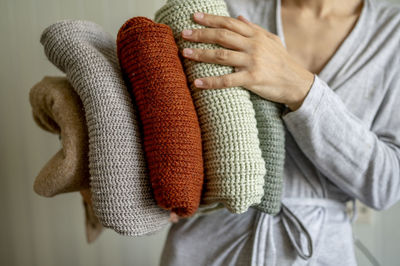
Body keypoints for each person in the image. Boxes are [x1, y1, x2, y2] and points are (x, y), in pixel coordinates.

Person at [162, 0, 400, 265]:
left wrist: (300, 88)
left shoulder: (392, 33)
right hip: (204, 247)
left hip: (318, 251)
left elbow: (387, 185)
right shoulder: (228, 7)